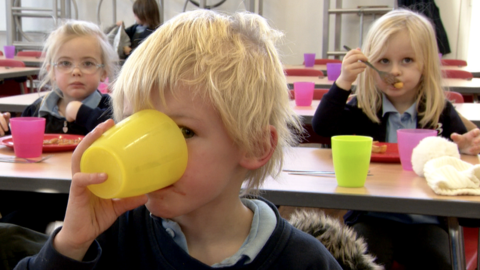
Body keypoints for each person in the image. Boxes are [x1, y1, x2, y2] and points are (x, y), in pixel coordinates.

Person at [14, 10, 342, 270]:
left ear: (254, 145)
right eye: (136, 124)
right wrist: (71, 243)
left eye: (184, 132)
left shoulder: (304, 261)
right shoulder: (112, 236)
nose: (147, 151)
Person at [312, 9, 480, 270]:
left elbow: (460, 152)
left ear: (425, 65)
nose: (395, 71)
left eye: (407, 60)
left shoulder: (439, 112)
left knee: (439, 261)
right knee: (359, 261)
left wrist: (465, 147)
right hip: (372, 215)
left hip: (427, 219)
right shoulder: (362, 109)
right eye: (383, 61)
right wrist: (344, 80)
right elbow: (322, 126)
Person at [0, 20, 118, 234]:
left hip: (89, 203)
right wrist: (4, 129)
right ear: (51, 71)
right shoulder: (37, 110)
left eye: (88, 63)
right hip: (37, 199)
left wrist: (82, 113)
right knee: (10, 225)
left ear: (103, 73)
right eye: (65, 63)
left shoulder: (109, 109)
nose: (76, 71)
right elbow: (14, 150)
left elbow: (115, 135)